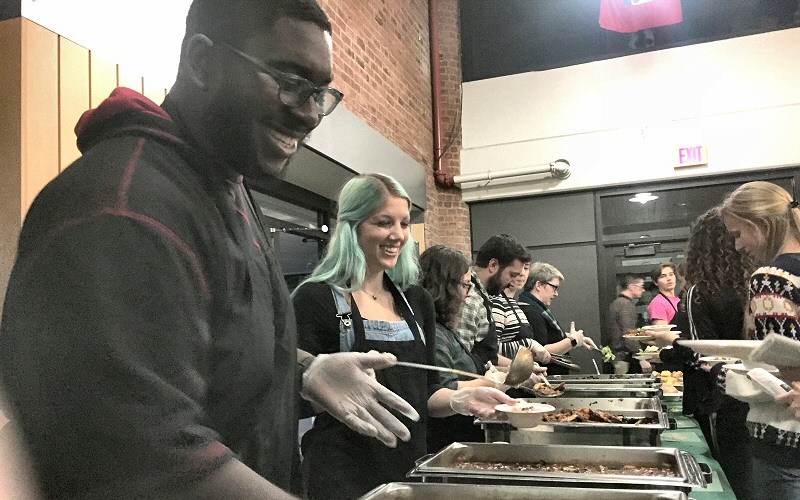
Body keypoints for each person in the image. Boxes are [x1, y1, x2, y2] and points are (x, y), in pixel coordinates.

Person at [0, 2, 421, 498]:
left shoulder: (228, 185)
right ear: (202, 62)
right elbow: (143, 457)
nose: (309, 112)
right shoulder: (123, 207)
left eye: (320, 92)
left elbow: (219, 347)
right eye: (289, 80)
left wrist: (307, 370)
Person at [291, 174, 514, 499]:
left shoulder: (415, 300)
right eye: (383, 222)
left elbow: (425, 392)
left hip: (410, 468)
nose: (397, 235)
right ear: (352, 227)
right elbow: (287, 396)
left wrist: (459, 400)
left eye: (404, 223)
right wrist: (315, 384)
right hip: (341, 474)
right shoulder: (317, 299)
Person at [656, 208, 754, 500]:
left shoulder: (700, 291)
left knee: (733, 477)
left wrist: (666, 352)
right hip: (753, 392)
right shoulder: (747, 282)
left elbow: (704, 354)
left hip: (719, 397)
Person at [719, 180, 800, 499]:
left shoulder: (770, 279)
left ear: (760, 223)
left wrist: (727, 372)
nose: (738, 247)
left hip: (785, 439)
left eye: (738, 234)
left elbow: (787, 371)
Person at [419, 244, 521, 452]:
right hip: (447, 440)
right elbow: (444, 388)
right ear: (445, 287)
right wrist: (492, 380)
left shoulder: (444, 329)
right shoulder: (435, 334)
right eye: (465, 285)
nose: (468, 294)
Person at [453, 234, 550, 367]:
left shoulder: (482, 297)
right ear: (493, 265)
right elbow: (461, 362)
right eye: (512, 275)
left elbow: (485, 358)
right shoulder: (471, 300)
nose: (512, 281)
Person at [518, 262, 598, 376]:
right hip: (545, 377)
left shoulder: (536, 308)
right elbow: (540, 350)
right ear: (539, 285)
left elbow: (546, 336)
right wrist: (573, 341)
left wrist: (571, 337)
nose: (556, 294)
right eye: (554, 288)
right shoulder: (531, 311)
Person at [605, 274, 645, 372]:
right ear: (632, 287)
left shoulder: (617, 303)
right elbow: (629, 334)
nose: (643, 290)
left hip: (616, 356)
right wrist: (641, 357)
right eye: (641, 286)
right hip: (623, 358)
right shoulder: (626, 305)